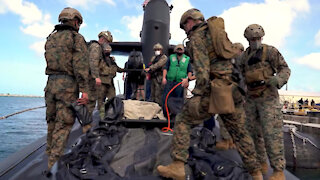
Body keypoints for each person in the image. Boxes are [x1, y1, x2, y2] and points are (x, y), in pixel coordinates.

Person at [157, 9, 262, 180]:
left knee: (183, 118)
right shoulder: (217, 34)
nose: (185, 30)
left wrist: (197, 94)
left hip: (216, 90)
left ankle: (177, 166)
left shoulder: (197, 38)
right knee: (241, 133)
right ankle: (256, 173)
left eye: (185, 26)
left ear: (190, 21)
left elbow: (203, 71)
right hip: (232, 90)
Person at [241, 24, 291, 180]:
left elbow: (285, 69)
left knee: (272, 134)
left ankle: (278, 171)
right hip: (250, 98)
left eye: (257, 39)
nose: (255, 41)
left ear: (261, 38)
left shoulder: (270, 51)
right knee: (252, 133)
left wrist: (278, 79)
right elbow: (240, 75)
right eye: (252, 39)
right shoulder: (244, 56)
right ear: (248, 40)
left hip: (268, 98)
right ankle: (261, 163)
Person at [44, 7, 89, 170]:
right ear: (76, 22)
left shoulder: (51, 37)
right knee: (63, 125)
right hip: (67, 86)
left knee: (52, 121)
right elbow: (80, 66)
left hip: (50, 84)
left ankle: (49, 153)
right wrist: (84, 90)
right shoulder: (76, 38)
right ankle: (53, 166)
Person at [162, 44, 192, 117]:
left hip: (180, 83)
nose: (179, 50)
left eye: (181, 49)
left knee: (178, 99)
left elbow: (190, 71)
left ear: (183, 50)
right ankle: (166, 114)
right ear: (175, 50)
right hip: (170, 81)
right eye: (178, 49)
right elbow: (166, 68)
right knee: (166, 98)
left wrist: (187, 80)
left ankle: (176, 115)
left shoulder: (187, 59)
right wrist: (164, 78)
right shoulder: (171, 57)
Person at [98, 44, 125, 111]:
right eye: (106, 50)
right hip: (103, 81)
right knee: (101, 99)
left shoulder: (111, 61)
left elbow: (118, 69)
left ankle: (110, 112)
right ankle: (101, 115)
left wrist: (125, 69)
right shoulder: (100, 60)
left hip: (110, 81)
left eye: (109, 50)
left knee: (112, 97)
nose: (108, 52)